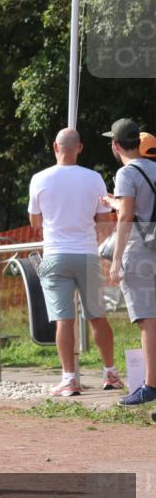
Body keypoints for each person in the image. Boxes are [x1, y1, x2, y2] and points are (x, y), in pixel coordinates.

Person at [28, 128, 123, 397]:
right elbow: (104, 222)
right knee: (97, 316)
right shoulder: (94, 179)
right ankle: (111, 373)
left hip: (55, 253)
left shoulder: (39, 179)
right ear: (79, 147)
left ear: (55, 148)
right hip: (87, 253)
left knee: (63, 320)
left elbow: (35, 222)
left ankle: (69, 378)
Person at [105, 119, 156, 405]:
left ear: (115, 145)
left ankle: (150, 385)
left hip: (139, 248)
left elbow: (126, 217)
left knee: (148, 319)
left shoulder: (126, 173)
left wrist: (116, 260)